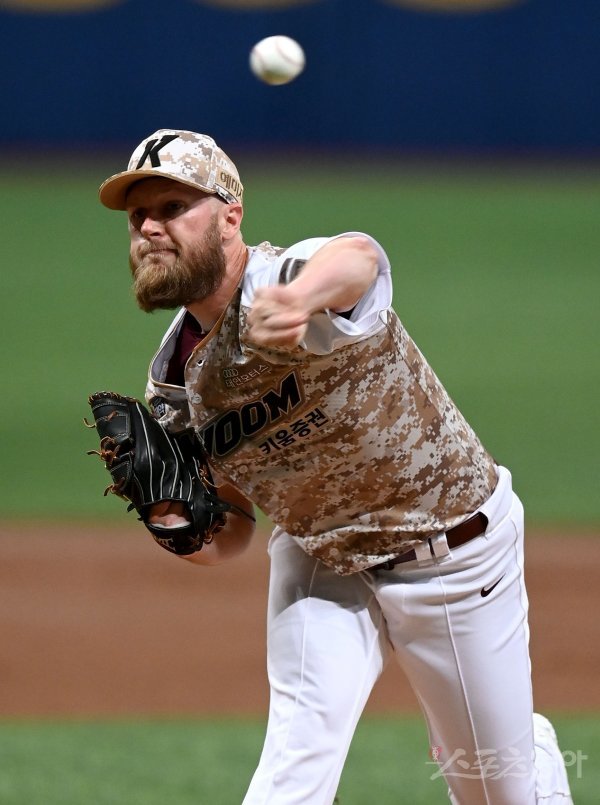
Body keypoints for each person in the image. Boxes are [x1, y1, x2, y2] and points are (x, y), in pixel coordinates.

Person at [98, 128, 573, 804]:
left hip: (447, 549)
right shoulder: (174, 384)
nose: (149, 227)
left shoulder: (280, 278)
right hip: (321, 559)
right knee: (289, 778)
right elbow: (233, 526)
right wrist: (177, 522)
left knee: (497, 790)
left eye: (172, 208)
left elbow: (359, 259)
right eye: (138, 215)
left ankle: (532, 755)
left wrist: (300, 299)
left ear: (230, 216)